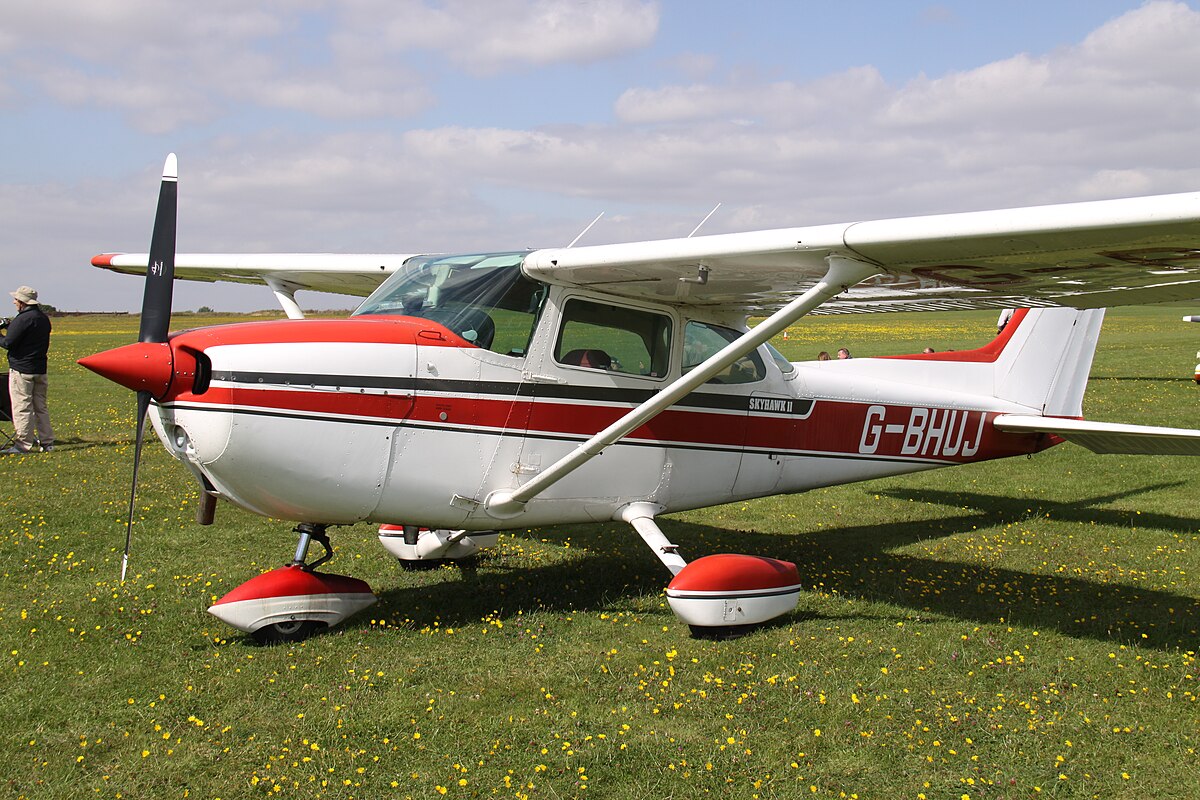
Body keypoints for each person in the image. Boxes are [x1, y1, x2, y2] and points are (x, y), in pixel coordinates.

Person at [0, 286, 54, 454]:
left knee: (22, 407)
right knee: (40, 406)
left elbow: (8, 343)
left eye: (16, 300)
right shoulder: (43, 318)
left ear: (22, 302)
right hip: (40, 369)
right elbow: (27, 335)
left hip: (22, 370)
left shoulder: (22, 319)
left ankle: (23, 444)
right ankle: (47, 442)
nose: (14, 302)